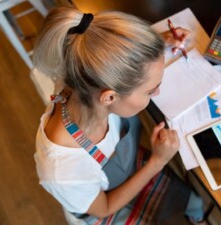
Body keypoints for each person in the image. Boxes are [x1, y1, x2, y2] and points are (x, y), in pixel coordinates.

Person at [33, 6, 208, 225]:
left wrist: (155, 46)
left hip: (129, 165)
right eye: (150, 90)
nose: (157, 93)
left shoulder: (81, 79)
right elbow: (104, 209)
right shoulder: (63, 170)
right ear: (109, 98)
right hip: (105, 204)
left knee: (194, 201)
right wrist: (157, 161)